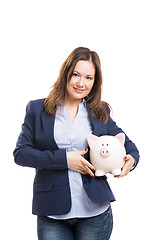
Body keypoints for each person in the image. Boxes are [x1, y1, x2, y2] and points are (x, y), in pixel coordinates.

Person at [13, 47, 139, 240]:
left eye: (89, 77)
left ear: (95, 82)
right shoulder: (37, 109)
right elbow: (21, 153)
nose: (81, 83)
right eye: (76, 75)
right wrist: (64, 160)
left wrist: (131, 160)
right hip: (52, 213)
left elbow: (127, 145)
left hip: (95, 212)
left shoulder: (99, 111)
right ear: (66, 74)